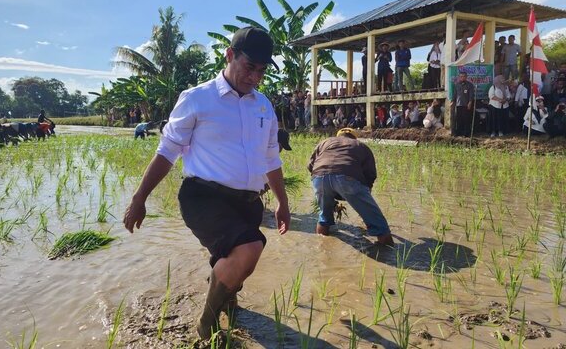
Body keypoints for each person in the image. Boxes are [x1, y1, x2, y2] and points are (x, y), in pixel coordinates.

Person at [123, 26, 290, 340]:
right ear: (229, 56)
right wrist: (139, 197)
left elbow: (271, 158)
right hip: (204, 197)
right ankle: (206, 327)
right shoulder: (198, 99)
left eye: (261, 71)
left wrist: (282, 201)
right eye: (248, 67)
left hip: (249, 201)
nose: (254, 77)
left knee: (233, 265)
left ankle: (228, 301)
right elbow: (167, 151)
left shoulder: (263, 106)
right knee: (250, 249)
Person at [308, 128, 394, 245]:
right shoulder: (361, 146)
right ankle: (389, 254)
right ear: (354, 137)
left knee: (324, 218)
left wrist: (327, 192)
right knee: (379, 224)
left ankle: (323, 247)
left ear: (338, 136)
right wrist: (365, 196)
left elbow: (310, 166)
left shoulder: (325, 142)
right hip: (346, 178)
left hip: (319, 177)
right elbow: (370, 175)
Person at [451, 71, 475, 137]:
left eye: (464, 76)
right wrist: (453, 101)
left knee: (466, 119)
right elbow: (455, 94)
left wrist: (470, 103)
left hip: (466, 105)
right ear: (459, 77)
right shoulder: (457, 84)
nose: (462, 78)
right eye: (461, 76)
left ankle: (466, 133)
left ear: (466, 77)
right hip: (459, 104)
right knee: (459, 119)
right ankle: (458, 132)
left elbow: (471, 95)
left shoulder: (469, 85)